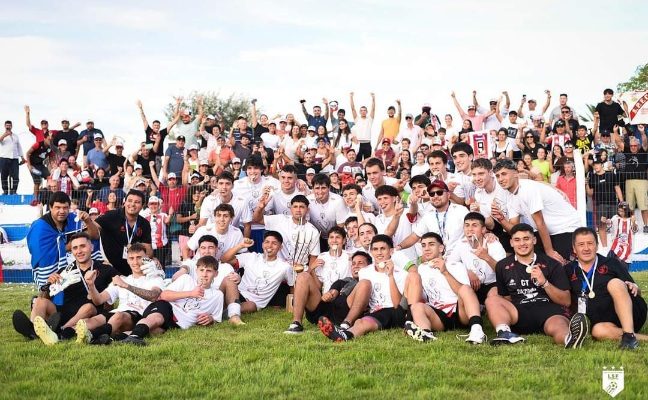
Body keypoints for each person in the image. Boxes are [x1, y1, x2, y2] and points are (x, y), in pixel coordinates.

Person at [485, 223, 586, 348]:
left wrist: (544, 282)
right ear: (511, 243)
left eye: (526, 239)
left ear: (534, 240)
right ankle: (505, 333)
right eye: (517, 240)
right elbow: (506, 299)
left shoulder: (552, 264)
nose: (522, 243)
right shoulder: (502, 266)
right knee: (492, 299)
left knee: (559, 325)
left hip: (548, 312)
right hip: (519, 313)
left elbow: (566, 301)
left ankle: (569, 340)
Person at [12, 233, 118, 345]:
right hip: (63, 313)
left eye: (83, 246)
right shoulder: (65, 270)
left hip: (91, 312)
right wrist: (47, 285)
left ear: (91, 247)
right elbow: (45, 296)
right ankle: (33, 329)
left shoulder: (105, 268)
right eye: (75, 248)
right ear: (71, 251)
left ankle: (60, 331)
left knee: (88, 307)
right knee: (40, 301)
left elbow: (121, 284)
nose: (79, 251)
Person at [318, 235, 407, 342]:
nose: (379, 253)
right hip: (373, 313)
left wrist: (391, 275)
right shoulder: (365, 272)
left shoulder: (401, 273)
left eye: (383, 249)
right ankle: (344, 333)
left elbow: (397, 304)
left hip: (392, 312)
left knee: (364, 322)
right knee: (360, 322)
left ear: (391, 251)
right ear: (371, 251)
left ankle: (344, 331)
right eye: (375, 249)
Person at [568, 227, 646, 349]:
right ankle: (631, 337)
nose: (586, 248)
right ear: (574, 248)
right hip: (602, 322)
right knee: (597, 332)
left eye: (590, 243)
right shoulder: (568, 270)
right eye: (581, 244)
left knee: (614, 283)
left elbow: (636, 291)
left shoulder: (611, 263)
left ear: (597, 245)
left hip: (628, 313)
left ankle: (628, 331)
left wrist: (634, 286)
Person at [120, 255, 224, 346]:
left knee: (155, 331)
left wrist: (211, 319)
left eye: (209, 271)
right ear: (196, 271)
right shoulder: (186, 279)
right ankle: (135, 336)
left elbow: (216, 319)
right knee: (157, 319)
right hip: (166, 307)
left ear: (216, 274)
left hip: (179, 323)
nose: (204, 274)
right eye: (202, 270)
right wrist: (191, 293)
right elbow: (163, 295)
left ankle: (113, 339)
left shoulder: (217, 295)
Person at [402, 232, 487, 343]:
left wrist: (445, 272)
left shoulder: (455, 265)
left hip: (460, 312)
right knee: (417, 306)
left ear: (441, 248)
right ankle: (425, 333)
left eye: (431, 244)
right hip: (438, 314)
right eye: (423, 245)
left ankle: (477, 331)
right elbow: (420, 297)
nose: (426, 248)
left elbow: (464, 292)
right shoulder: (422, 268)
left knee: (465, 289)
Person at [74, 243, 164, 345]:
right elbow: (98, 300)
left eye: (139, 258)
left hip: (138, 316)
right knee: (91, 321)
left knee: (119, 316)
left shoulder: (155, 278)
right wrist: (91, 285)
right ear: (128, 260)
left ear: (146, 258)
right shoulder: (122, 279)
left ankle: (94, 336)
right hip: (117, 314)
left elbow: (153, 296)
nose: (135, 262)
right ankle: (64, 334)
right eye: (131, 258)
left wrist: (127, 286)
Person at [493, 159, 580, 264]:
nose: (501, 179)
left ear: (515, 173)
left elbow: (540, 222)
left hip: (566, 228)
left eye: (504, 174)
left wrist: (550, 251)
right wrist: (501, 218)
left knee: (560, 265)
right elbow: (515, 229)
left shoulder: (528, 188)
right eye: (497, 176)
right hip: (548, 232)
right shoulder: (510, 196)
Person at [284, 227, 354, 333]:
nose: (334, 240)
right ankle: (296, 323)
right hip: (323, 301)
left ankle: (345, 323)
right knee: (303, 276)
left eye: (338, 237)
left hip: (341, 302)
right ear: (328, 240)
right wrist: (311, 269)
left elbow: (353, 282)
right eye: (331, 237)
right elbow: (318, 286)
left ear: (344, 241)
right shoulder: (322, 257)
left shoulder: (350, 257)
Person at [26, 192, 99, 287]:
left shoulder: (73, 219)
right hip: (50, 268)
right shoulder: (39, 227)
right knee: (49, 296)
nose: (62, 211)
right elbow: (40, 253)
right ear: (50, 207)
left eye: (65, 208)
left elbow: (95, 236)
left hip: (73, 267)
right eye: (58, 207)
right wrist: (69, 246)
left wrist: (88, 221)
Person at [173, 235, 245, 325]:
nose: (206, 251)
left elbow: (233, 282)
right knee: (249, 306)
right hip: (196, 302)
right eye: (203, 248)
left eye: (210, 248)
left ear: (217, 249)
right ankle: (225, 313)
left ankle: (234, 316)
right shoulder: (192, 264)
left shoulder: (225, 266)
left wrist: (237, 277)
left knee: (249, 303)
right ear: (198, 250)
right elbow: (178, 275)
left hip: (217, 300)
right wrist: (183, 270)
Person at [221, 231, 295, 313]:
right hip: (237, 293)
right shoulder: (251, 257)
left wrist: (293, 304)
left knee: (251, 306)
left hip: (252, 303)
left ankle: (224, 312)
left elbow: (292, 285)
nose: (269, 245)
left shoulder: (284, 267)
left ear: (280, 247)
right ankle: (227, 309)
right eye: (267, 242)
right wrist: (240, 245)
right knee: (229, 281)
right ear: (262, 244)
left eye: (274, 243)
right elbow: (224, 259)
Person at [398, 180, 469, 259]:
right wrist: (399, 247)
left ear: (448, 195)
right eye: (432, 194)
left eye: (439, 193)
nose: (435, 196)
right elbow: (414, 237)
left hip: (460, 259)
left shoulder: (461, 211)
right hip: (438, 261)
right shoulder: (428, 216)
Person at [446, 213, 506, 304]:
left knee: (494, 296)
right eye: (467, 225)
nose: (470, 229)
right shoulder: (461, 244)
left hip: (492, 284)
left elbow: (503, 271)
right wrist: (467, 272)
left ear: (483, 229)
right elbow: (450, 263)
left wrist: (486, 257)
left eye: (474, 225)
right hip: (471, 285)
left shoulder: (493, 244)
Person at [252, 195, 320, 268]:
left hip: (299, 269)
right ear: (291, 209)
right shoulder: (280, 219)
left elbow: (314, 256)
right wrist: (260, 208)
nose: (298, 210)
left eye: (302, 207)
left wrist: (308, 273)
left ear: (307, 210)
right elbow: (257, 219)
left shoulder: (313, 231)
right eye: (295, 207)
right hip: (276, 267)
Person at [95, 190, 153, 275]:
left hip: (133, 271)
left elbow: (148, 251)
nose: (132, 204)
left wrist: (151, 259)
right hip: (110, 269)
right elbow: (93, 231)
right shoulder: (111, 216)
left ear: (142, 205)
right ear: (124, 202)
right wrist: (88, 221)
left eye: (137, 202)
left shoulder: (144, 223)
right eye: (129, 201)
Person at [614, 132, 648, 233]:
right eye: (632, 145)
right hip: (628, 181)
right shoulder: (627, 152)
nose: (633, 147)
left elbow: (645, 142)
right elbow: (618, 142)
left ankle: (646, 225)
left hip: (641, 181)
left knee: (644, 206)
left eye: (635, 145)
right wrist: (615, 132)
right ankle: (634, 225)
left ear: (638, 146)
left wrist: (642, 132)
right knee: (630, 206)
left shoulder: (642, 152)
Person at [586, 158, 623, 247]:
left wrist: (622, 202)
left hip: (613, 203)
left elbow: (617, 188)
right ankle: (605, 247)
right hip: (600, 204)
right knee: (602, 226)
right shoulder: (593, 177)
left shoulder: (610, 174)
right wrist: (586, 184)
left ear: (602, 165)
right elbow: (590, 193)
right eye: (594, 165)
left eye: (597, 164)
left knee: (616, 225)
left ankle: (616, 247)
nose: (596, 166)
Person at [605, 202, 639, 268]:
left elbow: (635, 230)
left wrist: (634, 222)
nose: (620, 212)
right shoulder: (615, 218)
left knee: (624, 269)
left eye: (622, 211)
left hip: (627, 247)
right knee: (608, 263)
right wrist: (606, 221)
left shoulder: (631, 219)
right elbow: (609, 225)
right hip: (615, 246)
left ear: (626, 211)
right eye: (619, 210)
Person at [142, 196, 172, 268]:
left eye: (155, 204)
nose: (153, 206)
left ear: (159, 205)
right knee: (150, 265)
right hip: (149, 246)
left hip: (161, 245)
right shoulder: (145, 217)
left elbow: (167, 221)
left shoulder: (163, 215)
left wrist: (170, 214)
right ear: (148, 205)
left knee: (161, 265)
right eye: (151, 204)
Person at [25, 130, 54, 197]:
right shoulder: (38, 144)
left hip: (40, 164)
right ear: (45, 138)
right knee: (37, 182)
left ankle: (48, 195)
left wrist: (52, 167)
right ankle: (35, 199)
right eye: (49, 139)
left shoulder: (51, 147)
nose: (50, 141)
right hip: (33, 165)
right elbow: (27, 153)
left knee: (50, 177)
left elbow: (51, 158)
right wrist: (29, 165)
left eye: (51, 140)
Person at [349, 92, 375, 161]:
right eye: (361, 110)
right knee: (357, 162)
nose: (363, 112)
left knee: (367, 163)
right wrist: (351, 97)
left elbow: (373, 109)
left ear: (366, 112)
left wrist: (373, 98)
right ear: (360, 112)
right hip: (358, 144)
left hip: (367, 143)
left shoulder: (370, 119)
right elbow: (353, 108)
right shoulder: (357, 119)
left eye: (364, 110)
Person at [0, 120, 24, 194]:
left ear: (11, 126)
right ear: (4, 126)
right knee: (4, 176)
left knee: (15, 176)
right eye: (7, 125)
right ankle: (5, 191)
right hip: (4, 158)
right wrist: (5, 135)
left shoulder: (15, 136)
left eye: (9, 125)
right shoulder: (1, 134)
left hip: (14, 158)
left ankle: (14, 191)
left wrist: (22, 157)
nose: (8, 126)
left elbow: (19, 147)